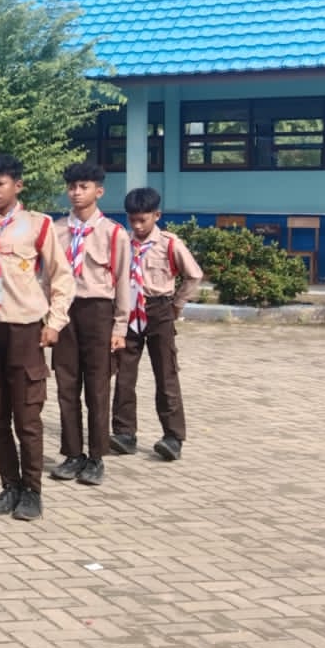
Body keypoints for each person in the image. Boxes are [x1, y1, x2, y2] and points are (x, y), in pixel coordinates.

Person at [0, 154, 73, 522]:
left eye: (0, 183)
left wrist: (55, 321)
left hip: (24, 329)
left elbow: (61, 277)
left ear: (17, 186)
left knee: (27, 415)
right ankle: (9, 485)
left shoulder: (37, 225)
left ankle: (32, 491)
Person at [49, 163, 132, 487]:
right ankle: (72, 454)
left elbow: (124, 282)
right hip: (65, 311)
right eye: (71, 186)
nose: (76, 192)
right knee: (66, 386)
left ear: (99, 191)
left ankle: (96, 457)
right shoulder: (56, 231)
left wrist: (120, 328)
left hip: (98, 312)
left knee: (97, 387)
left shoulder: (114, 233)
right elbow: (47, 276)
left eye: (83, 186)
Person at [113, 187, 202, 461]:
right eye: (133, 220)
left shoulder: (169, 243)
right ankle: (124, 433)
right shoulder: (122, 242)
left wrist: (177, 305)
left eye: (144, 220)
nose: (138, 226)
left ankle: (173, 437)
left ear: (157, 215)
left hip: (159, 309)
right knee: (124, 374)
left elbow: (194, 275)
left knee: (166, 374)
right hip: (128, 313)